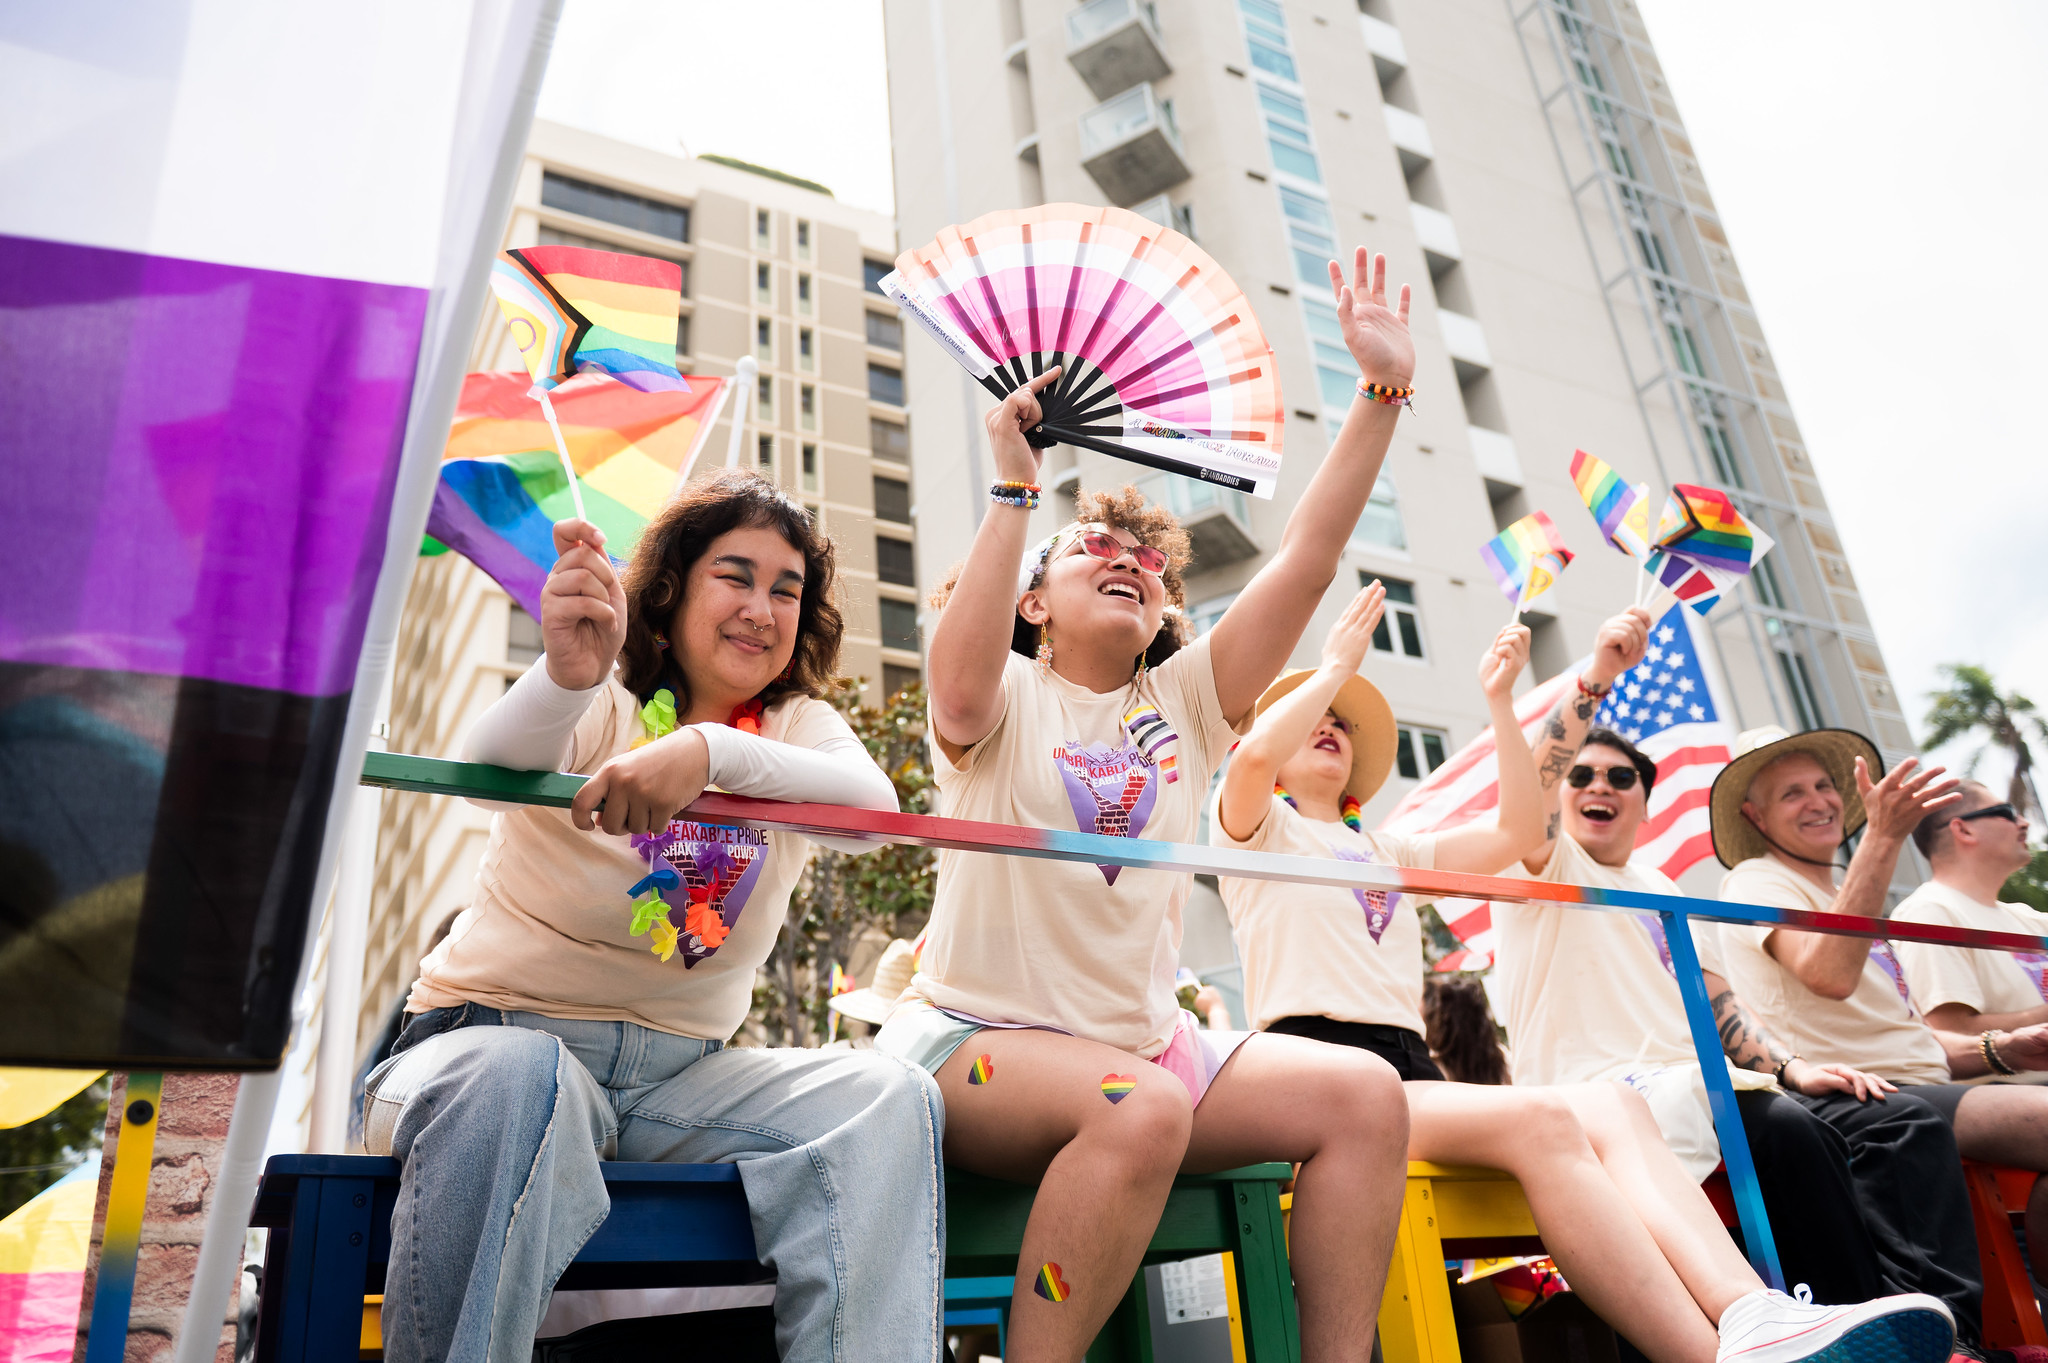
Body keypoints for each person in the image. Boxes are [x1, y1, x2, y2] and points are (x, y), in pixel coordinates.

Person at [878, 249, 1419, 1363]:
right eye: (1090, 549)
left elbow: (1307, 562)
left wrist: (1378, 392)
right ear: (1033, 599)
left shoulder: (1186, 702)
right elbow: (960, 680)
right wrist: (1017, 489)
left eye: (1145, 557)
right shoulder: (1002, 693)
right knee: (1138, 1106)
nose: (1124, 559)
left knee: (1364, 1096)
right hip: (975, 1052)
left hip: (1147, 1055)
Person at [1212, 589, 1951, 1363]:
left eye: (1340, 719)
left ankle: (1750, 1316)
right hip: (1321, 1071)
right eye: (1313, 713)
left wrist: (1500, 700)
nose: (1329, 721)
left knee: (1612, 1105)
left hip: (1408, 1073)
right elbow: (1256, 758)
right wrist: (1334, 666)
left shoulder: (1389, 851)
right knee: (1546, 1120)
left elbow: (1518, 830)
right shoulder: (1252, 825)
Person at [360, 471, 946, 1363]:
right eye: (736, 575)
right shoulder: (606, 696)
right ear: (669, 592)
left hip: (683, 1085)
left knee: (887, 1094)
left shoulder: (793, 727)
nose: (763, 607)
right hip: (488, 1049)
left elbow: (872, 811)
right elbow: (490, 764)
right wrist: (563, 676)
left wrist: (709, 750)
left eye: (787, 590)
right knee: (525, 1078)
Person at [1709, 727, 2017, 1348]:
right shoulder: (1755, 881)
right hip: (1857, 1092)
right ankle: (1946, 1340)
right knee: (1918, 1120)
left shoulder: (1850, 886)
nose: (1818, 800)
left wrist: (2001, 1049)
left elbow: (1915, 1041)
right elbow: (1828, 974)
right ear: (1754, 816)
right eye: (1791, 793)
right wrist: (1882, 836)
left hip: (1918, 1083)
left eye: (1824, 785)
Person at [1893, 785, 2048, 1271]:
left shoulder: (2022, 916)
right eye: (2006, 812)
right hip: (1995, 1093)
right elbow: (1948, 1031)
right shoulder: (1929, 912)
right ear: (1961, 828)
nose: (2023, 821)